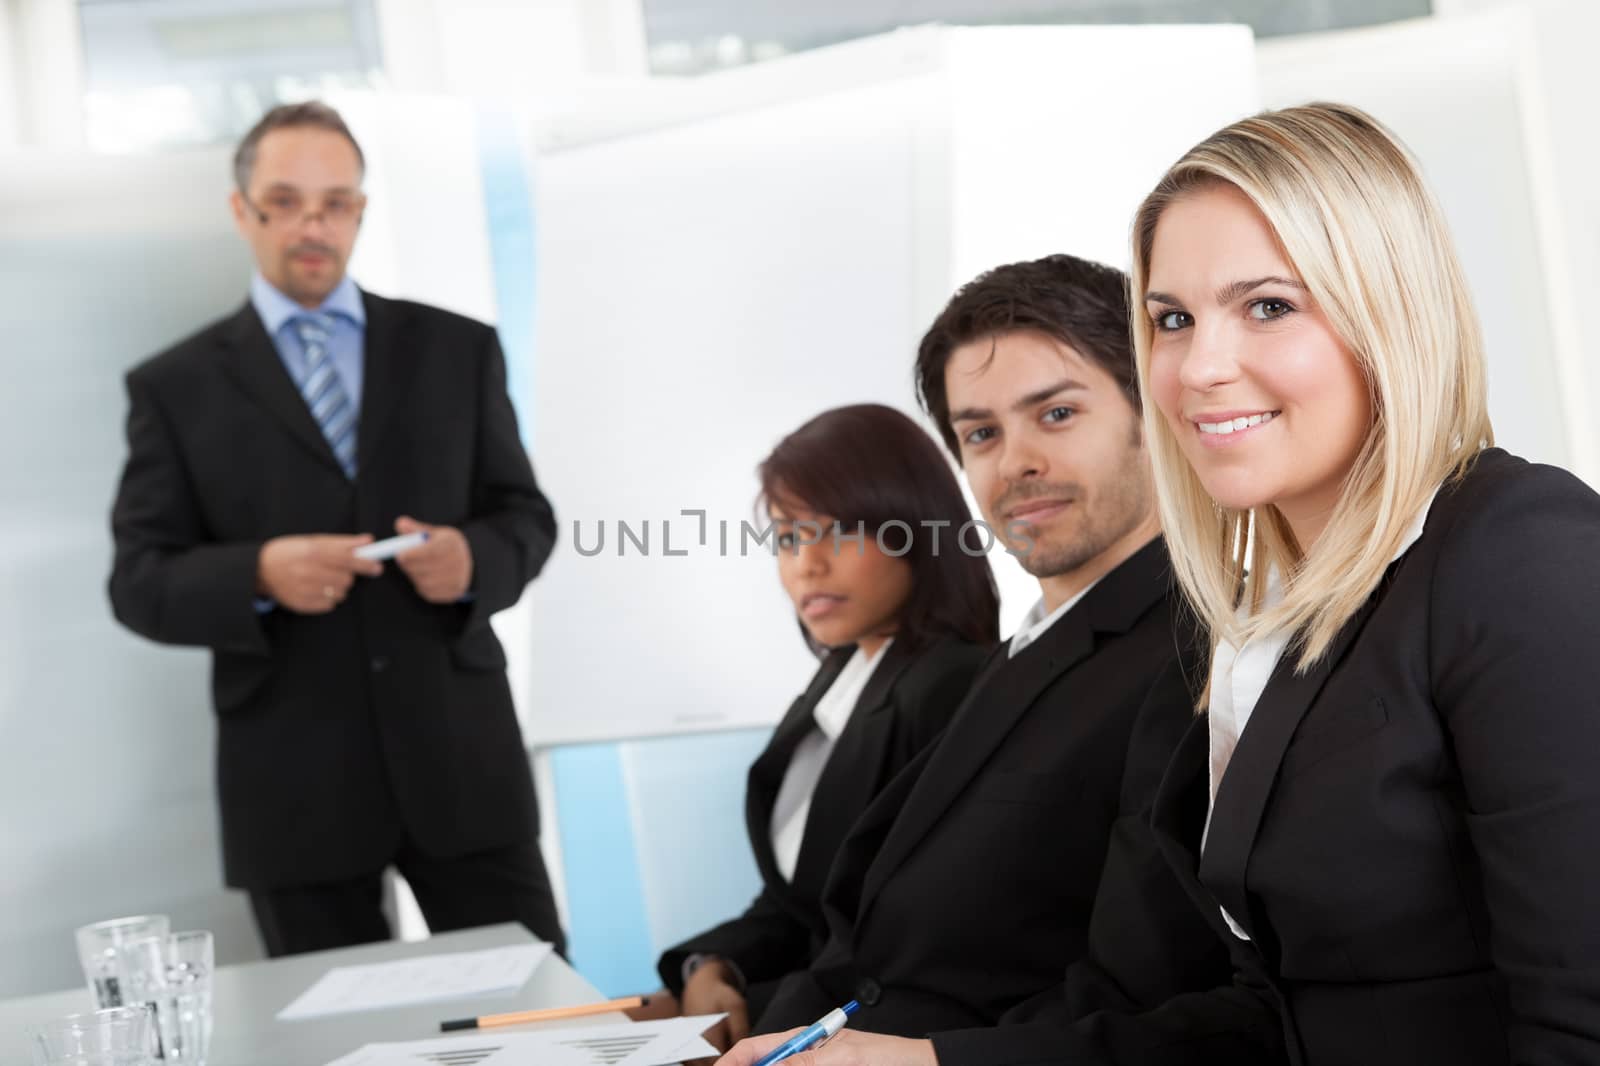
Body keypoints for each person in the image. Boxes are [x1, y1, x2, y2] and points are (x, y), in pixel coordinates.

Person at [723, 102, 1600, 1066]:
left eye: (1269, 305)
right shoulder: (1273, 622)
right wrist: (926, 1063)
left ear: (1392, 310)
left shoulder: (1519, 547)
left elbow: (1579, 1018)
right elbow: (1267, 1018)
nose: (1199, 367)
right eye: (1172, 321)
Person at [107, 101, 566, 958]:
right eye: (286, 200)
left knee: (543, 1028)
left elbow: (526, 518)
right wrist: (257, 574)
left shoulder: (458, 349)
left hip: (462, 766)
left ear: (360, 211)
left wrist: (473, 559)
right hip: (293, 789)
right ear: (242, 211)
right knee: (335, 1045)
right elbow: (138, 580)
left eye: (335, 201)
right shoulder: (174, 387)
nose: (312, 224)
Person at [721, 254, 1219, 1041]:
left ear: (1149, 412)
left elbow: (1146, 992)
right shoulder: (1017, 657)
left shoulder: (1196, 655)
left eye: (1056, 414)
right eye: (981, 433)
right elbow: (883, 946)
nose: (1015, 461)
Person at [656, 404, 998, 1051]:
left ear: (915, 530)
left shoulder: (951, 684)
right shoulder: (841, 679)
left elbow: (906, 944)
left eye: (836, 531)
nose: (806, 565)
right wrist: (713, 965)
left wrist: (759, 1018)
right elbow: (800, 904)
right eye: (787, 538)